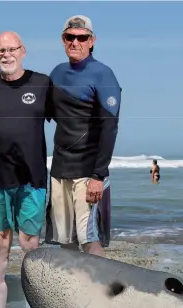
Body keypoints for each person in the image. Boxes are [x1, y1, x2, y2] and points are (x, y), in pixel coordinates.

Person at [0, 31, 51, 308]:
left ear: (23, 51)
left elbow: (70, 119)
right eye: (0, 51)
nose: (6, 55)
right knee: (0, 240)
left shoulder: (42, 83)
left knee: (29, 242)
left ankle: (37, 300)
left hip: (31, 177)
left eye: (11, 49)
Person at [45, 15, 121, 257]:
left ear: (92, 40)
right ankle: (71, 292)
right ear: (63, 39)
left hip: (88, 171)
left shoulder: (103, 74)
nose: (75, 42)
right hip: (59, 169)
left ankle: (100, 291)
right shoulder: (56, 73)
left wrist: (98, 175)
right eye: (70, 37)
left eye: (81, 37)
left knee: (89, 240)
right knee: (65, 240)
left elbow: (110, 128)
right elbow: (40, 111)